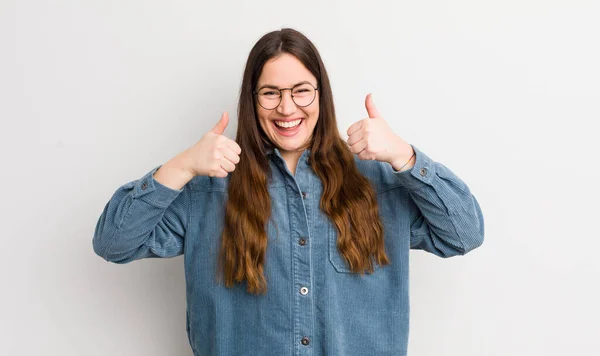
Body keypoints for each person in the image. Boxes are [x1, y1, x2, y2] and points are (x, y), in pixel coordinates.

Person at [93, 28, 484, 356]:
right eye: (270, 93)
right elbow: (114, 243)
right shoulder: (207, 188)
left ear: (320, 95)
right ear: (252, 99)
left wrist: (405, 155)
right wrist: (181, 166)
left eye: (301, 91)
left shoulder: (378, 181)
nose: (286, 107)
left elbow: (464, 234)